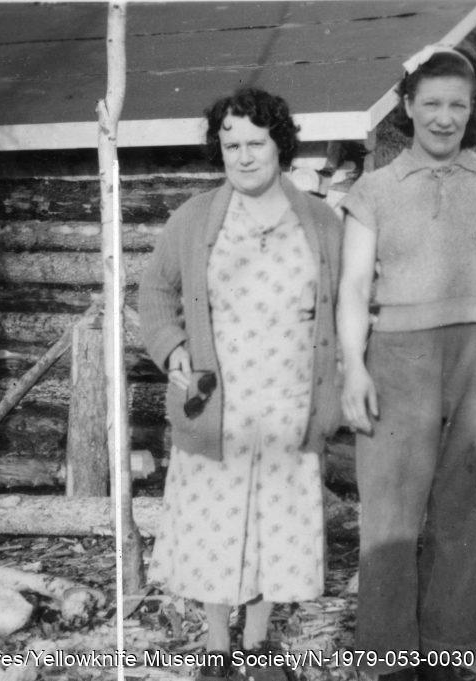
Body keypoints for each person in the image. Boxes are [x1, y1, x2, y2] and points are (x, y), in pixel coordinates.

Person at [337, 47, 476, 681]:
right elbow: (350, 287)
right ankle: (391, 660)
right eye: (432, 104)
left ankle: (448, 657)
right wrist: (352, 367)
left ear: (473, 110)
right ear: (407, 106)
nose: (445, 117)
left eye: (458, 104)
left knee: (466, 513)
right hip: (396, 356)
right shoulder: (374, 190)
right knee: (390, 516)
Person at [139, 87, 342, 681]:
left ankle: (257, 649)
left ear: (281, 144)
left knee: (274, 528)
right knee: (214, 524)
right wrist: (172, 346)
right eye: (231, 145)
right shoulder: (195, 217)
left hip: (289, 403)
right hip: (216, 405)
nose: (245, 156)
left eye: (256, 142)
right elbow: (155, 292)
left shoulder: (319, 220)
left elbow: (349, 302)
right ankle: (218, 647)